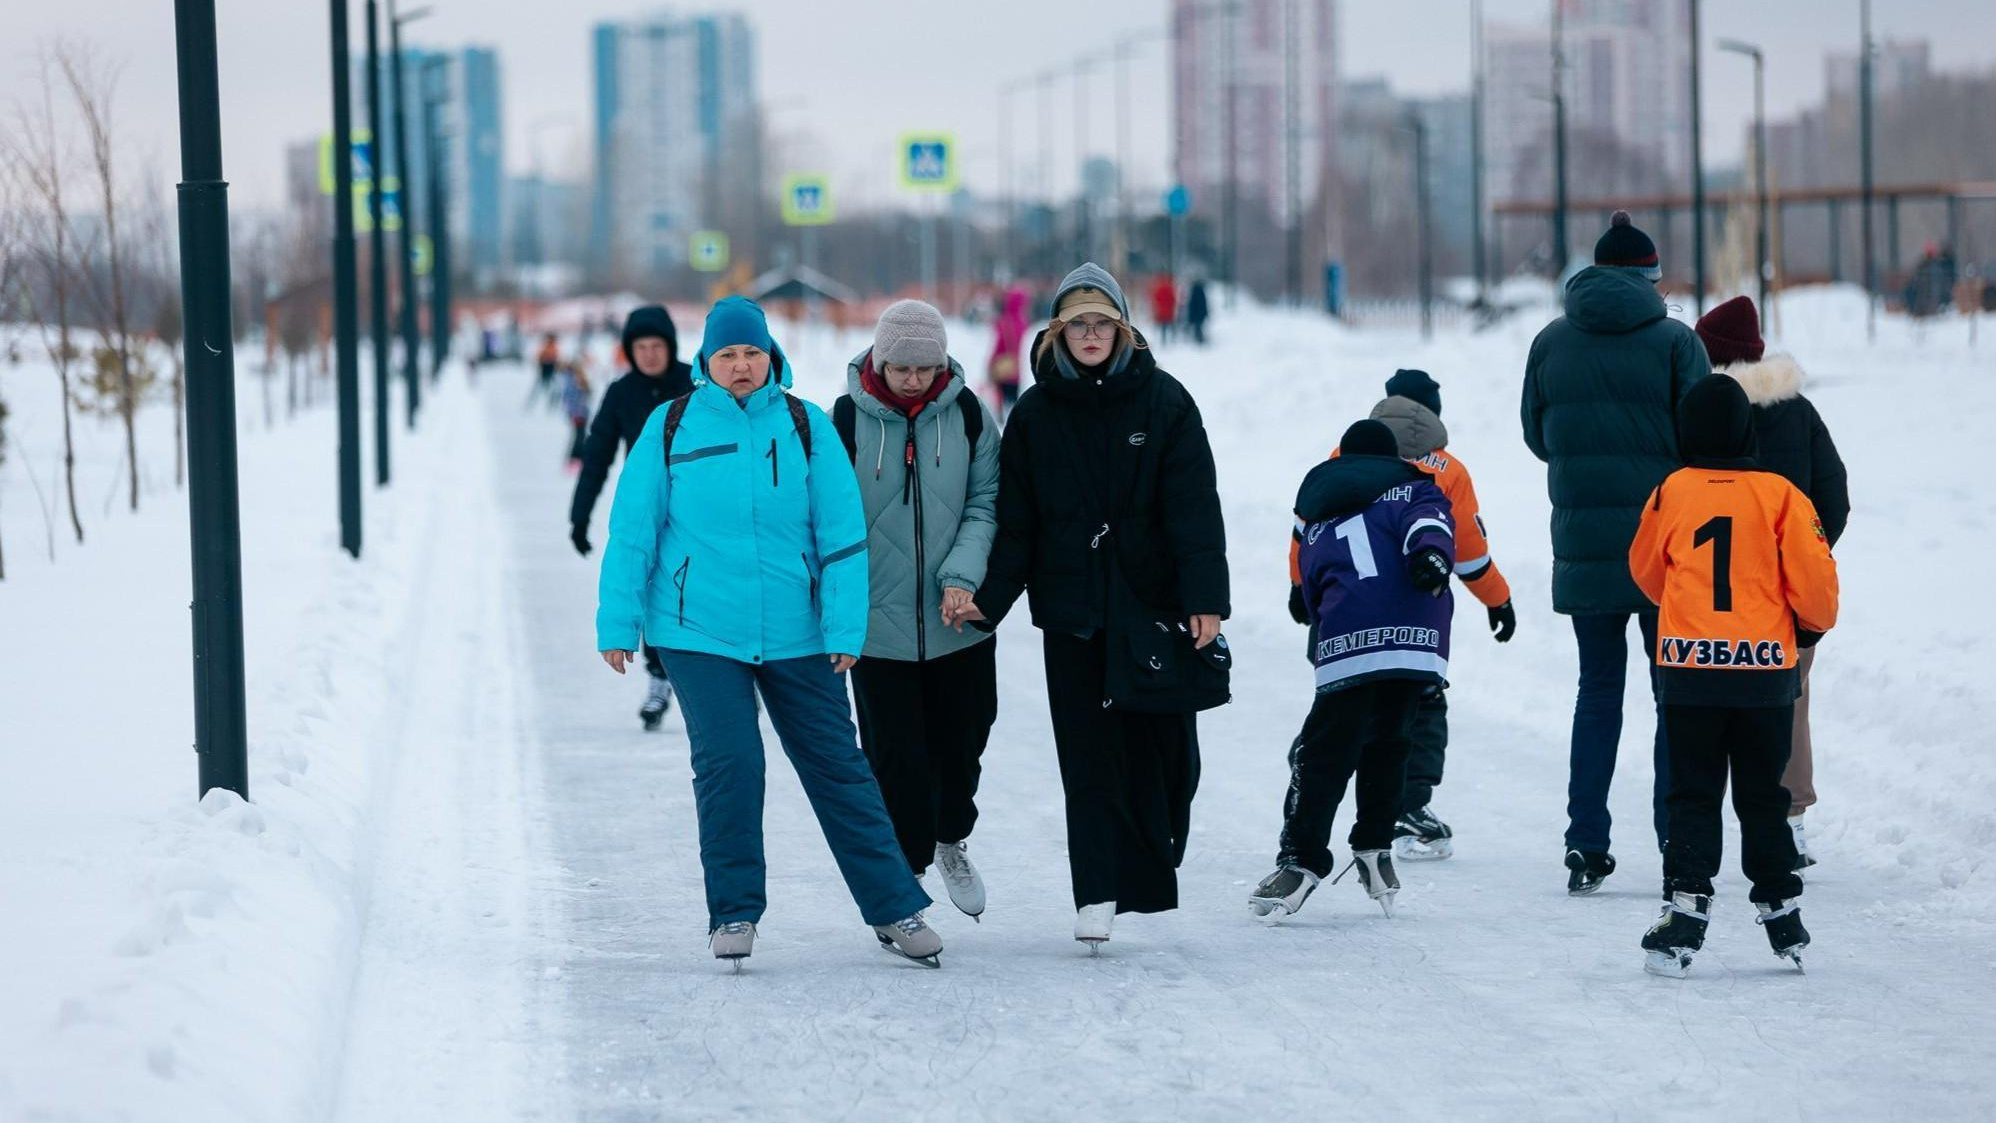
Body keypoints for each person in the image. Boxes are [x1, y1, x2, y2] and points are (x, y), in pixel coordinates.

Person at [595, 295, 943, 969]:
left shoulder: (806, 426)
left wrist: (845, 623)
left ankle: (894, 903)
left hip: (797, 629)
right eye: (727, 354)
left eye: (752, 352)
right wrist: (619, 619)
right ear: (706, 362)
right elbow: (633, 532)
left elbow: (842, 536)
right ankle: (733, 910)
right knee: (730, 761)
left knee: (839, 766)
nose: (742, 365)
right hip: (697, 629)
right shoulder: (670, 426)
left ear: (771, 355)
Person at [960, 263, 1229, 951]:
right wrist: (988, 602)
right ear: (1057, 332)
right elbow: (1017, 525)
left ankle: (1150, 853)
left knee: (1170, 759)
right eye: (1077, 323)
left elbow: (1195, 509)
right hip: (1073, 613)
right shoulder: (1035, 415)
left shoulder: (1166, 402)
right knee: (1087, 759)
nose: (1089, 335)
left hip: (1153, 608)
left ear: (1122, 329)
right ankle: (1097, 891)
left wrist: (1205, 600)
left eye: (1101, 323)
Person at [1521, 210, 1710, 895]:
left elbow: (1538, 436)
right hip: (1666, 551)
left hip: (1585, 545)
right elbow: (1703, 436)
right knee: (1672, 698)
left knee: (1597, 692)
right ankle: (1674, 840)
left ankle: (1585, 844)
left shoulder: (1550, 342)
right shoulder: (1675, 343)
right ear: (1650, 278)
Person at [1629, 375, 1839, 977]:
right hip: (1765, 675)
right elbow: (1816, 581)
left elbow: (1644, 569)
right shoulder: (1780, 495)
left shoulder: (1671, 491)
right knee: (1763, 795)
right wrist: (1808, 628)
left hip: (1689, 670)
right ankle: (1781, 909)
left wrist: (1680, 606)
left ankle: (1685, 912)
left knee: (1692, 791)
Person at [1286, 368, 1517, 859]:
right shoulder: (1447, 469)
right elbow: (1467, 551)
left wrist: (1298, 587)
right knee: (1417, 709)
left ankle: (1311, 764)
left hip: (1337, 608)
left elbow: (1306, 528)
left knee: (1340, 702)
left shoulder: (1341, 455)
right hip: (1413, 616)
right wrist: (1498, 599)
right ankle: (1408, 805)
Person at [831, 300, 1002, 921]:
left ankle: (950, 839)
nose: (911, 379)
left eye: (924, 368)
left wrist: (961, 577)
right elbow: (830, 518)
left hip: (959, 620)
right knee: (895, 755)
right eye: (900, 366)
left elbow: (987, 503)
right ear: (878, 357)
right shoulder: (845, 419)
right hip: (879, 625)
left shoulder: (970, 415)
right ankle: (904, 877)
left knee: (965, 736)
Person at [1252, 419, 1455, 920]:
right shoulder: (1413, 489)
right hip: (1415, 639)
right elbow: (1430, 527)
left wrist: (1307, 603)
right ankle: (1375, 846)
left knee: (1323, 752)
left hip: (1350, 639)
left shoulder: (1320, 510)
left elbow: (1311, 574)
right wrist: (1430, 557)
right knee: (1390, 742)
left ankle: (1300, 862)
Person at [1693, 295, 1849, 870]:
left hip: (1710, 592)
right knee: (1790, 702)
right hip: (1786, 595)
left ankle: (1694, 826)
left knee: (1703, 707)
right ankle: (1791, 823)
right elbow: (1835, 497)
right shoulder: (1798, 411)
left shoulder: (1701, 410)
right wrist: (1806, 557)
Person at [570, 305, 697, 731]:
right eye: (640, 347)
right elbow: (597, 455)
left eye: (656, 346)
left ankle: (736, 676)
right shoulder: (621, 393)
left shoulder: (696, 385)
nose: (648, 354)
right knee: (652, 591)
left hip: (698, 509)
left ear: (670, 346)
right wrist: (579, 516)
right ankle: (659, 678)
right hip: (647, 512)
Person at [987, 286, 1031, 424]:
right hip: (1015, 367)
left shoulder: (1002, 322)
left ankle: (1002, 422)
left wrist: (990, 363)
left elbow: (998, 346)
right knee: (1014, 399)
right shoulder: (1024, 322)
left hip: (1002, 365)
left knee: (1002, 396)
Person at [560, 361, 592, 471]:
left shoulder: (581, 380)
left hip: (583, 413)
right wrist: (573, 412)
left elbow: (588, 394)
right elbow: (568, 399)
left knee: (581, 435)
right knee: (578, 436)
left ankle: (578, 458)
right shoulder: (571, 382)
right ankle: (574, 459)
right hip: (576, 414)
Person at [532, 332, 561, 409]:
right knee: (541, 387)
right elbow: (539, 357)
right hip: (545, 369)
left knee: (552, 388)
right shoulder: (546, 347)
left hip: (551, 369)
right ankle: (533, 403)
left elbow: (556, 358)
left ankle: (551, 404)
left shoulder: (553, 347)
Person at [1149, 273, 1179, 344]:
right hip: (1169, 311)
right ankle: (1173, 339)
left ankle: (1163, 340)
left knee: (1163, 327)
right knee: (1170, 325)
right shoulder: (1170, 288)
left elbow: (1156, 298)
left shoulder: (1160, 288)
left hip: (1161, 310)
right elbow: (1173, 299)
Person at [1185, 279, 1211, 345]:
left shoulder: (1193, 291)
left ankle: (1199, 338)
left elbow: (1192, 304)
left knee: (1197, 327)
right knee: (1199, 326)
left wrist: (1191, 314)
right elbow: (1204, 303)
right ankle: (1199, 338)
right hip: (1200, 313)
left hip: (1196, 313)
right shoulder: (1201, 291)